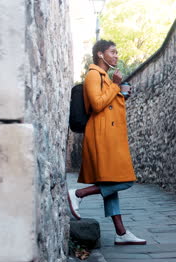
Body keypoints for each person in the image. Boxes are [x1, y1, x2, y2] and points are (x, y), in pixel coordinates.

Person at [67, 40, 145, 245]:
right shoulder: (94, 74)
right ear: (100, 55)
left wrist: (121, 95)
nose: (116, 55)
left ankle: (121, 233)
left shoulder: (105, 78)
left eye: (117, 52)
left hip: (108, 134)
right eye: (113, 52)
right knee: (124, 180)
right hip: (101, 135)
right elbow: (98, 103)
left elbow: (108, 102)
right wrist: (116, 86)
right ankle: (78, 193)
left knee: (109, 182)